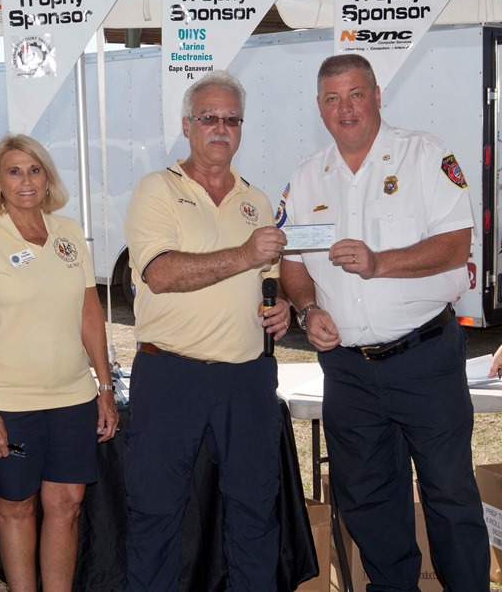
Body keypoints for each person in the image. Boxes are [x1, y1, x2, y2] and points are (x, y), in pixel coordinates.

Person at [279, 53, 488, 591]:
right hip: (349, 372)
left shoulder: (424, 156)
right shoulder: (306, 178)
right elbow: (293, 266)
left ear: (377, 96)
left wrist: (380, 262)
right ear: (319, 109)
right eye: (332, 98)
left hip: (425, 359)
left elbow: (455, 245)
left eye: (355, 94)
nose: (345, 108)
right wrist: (308, 308)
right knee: (370, 500)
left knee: (448, 493)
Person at [123, 70, 289, 591]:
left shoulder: (256, 200)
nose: (220, 128)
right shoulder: (157, 189)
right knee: (155, 513)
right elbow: (161, 273)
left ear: (241, 128)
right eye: (208, 118)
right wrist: (244, 254)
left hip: (246, 379)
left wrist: (282, 305)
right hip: (172, 373)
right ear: (186, 125)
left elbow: (268, 283)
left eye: (230, 120)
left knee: (255, 512)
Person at [0, 134, 118, 592]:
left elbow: (89, 314)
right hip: (9, 401)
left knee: (67, 504)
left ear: (47, 179)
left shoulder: (68, 233)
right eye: (14, 171)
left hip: (73, 395)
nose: (26, 180)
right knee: (18, 505)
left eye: (34, 170)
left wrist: (104, 388)